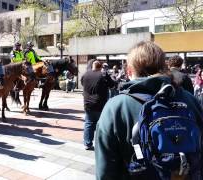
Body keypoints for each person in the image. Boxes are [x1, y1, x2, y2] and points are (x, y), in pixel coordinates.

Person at [95, 41, 203, 180]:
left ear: (129, 71)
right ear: (164, 66)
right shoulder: (189, 100)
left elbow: (105, 170)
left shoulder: (116, 106)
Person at [81, 60, 115, 150]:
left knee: (89, 123)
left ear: (92, 66)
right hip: (100, 103)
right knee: (101, 124)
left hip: (87, 103)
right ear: (100, 67)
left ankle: (87, 144)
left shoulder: (85, 75)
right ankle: (101, 144)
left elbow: (82, 84)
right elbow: (112, 85)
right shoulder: (103, 75)